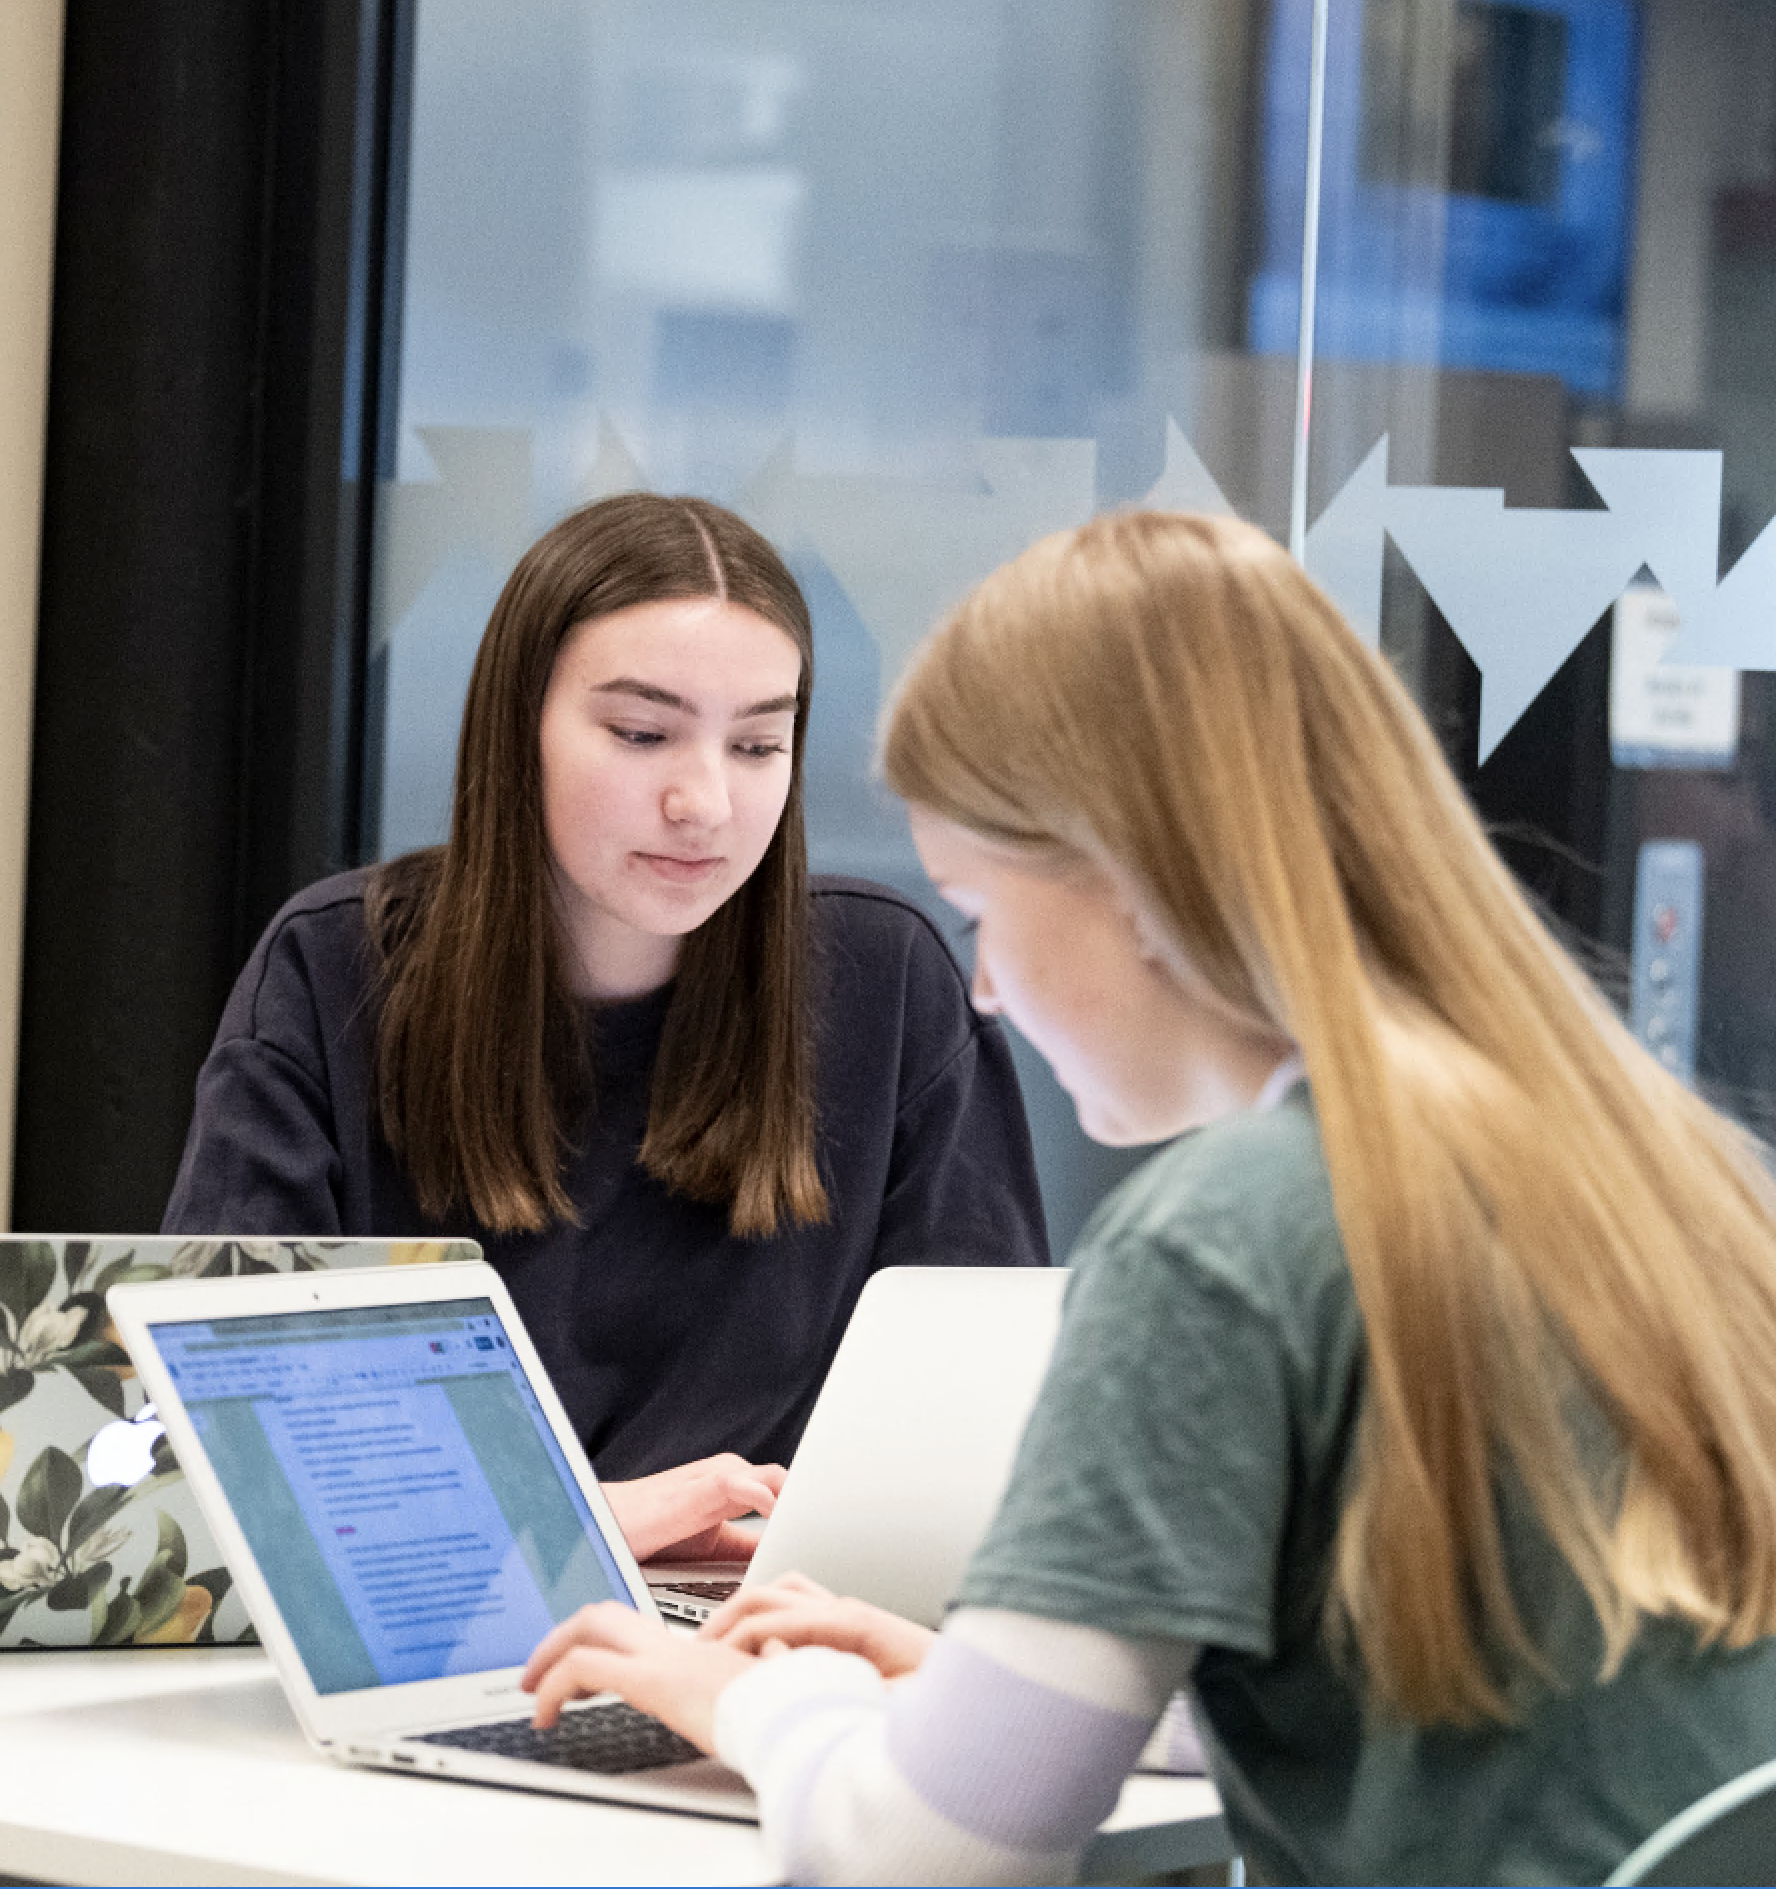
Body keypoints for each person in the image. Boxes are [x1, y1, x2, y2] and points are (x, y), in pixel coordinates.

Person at [518, 511, 1776, 1884]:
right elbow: (1471, 1716)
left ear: (1116, 876)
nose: (983, 984)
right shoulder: (1662, 1166)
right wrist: (994, 1700)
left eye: (979, 906)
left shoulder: (1228, 1238)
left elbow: (923, 1860)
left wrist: (742, 1700)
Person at [163, 492, 1047, 1562]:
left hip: (769, 1628)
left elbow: (984, 1437)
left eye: (760, 744)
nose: (705, 802)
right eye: (641, 734)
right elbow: (223, 1438)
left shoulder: (884, 980)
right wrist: (575, 1524)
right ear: (516, 728)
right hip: (446, 1607)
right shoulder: (334, 969)